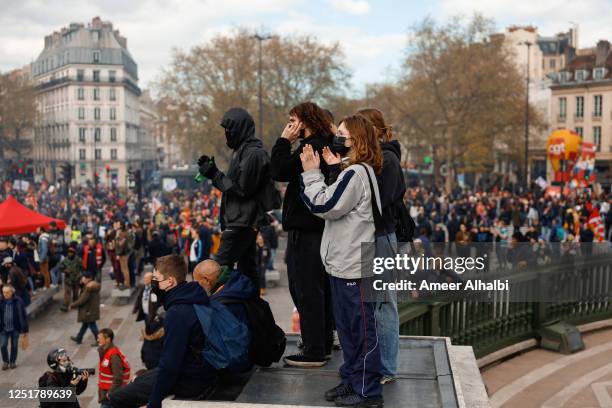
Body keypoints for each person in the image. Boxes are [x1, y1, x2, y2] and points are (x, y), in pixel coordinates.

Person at [300, 114, 384, 407]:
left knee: (360, 331)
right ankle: (351, 379)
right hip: (344, 263)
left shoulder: (357, 173)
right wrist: (336, 168)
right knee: (348, 330)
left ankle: (367, 390)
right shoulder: (356, 171)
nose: (336, 138)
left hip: (353, 265)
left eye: (342, 135)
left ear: (356, 141)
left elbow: (324, 205)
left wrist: (312, 174)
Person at [270, 101, 334, 367]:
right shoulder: (319, 144)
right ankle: (322, 341)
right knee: (317, 289)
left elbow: (279, 170)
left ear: (304, 121)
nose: (290, 125)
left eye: (293, 120)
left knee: (306, 289)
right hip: (315, 229)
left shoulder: (312, 146)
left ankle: (314, 348)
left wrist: (283, 140)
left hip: (306, 230)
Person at [109, 254, 217, 408]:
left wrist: (154, 401)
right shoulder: (194, 296)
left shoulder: (177, 313)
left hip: (191, 379)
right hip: (201, 370)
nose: (154, 284)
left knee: (116, 397)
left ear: (170, 281)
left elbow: (170, 363)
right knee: (140, 379)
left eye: (157, 279)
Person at [197, 107, 272, 288]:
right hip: (241, 220)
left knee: (215, 270)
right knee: (247, 270)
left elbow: (241, 189)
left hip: (242, 222)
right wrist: (213, 172)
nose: (226, 134)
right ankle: (252, 309)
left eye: (229, 130)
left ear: (240, 129)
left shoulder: (253, 153)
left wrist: (214, 174)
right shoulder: (242, 151)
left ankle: (208, 309)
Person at [357, 107, 405, 385]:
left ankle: (386, 367)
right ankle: (377, 362)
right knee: (373, 303)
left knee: (384, 305)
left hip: (381, 238)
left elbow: (379, 204)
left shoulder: (388, 160)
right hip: (373, 237)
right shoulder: (378, 158)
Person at [97, 328, 131, 408]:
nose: (97, 340)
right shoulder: (106, 351)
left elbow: (118, 378)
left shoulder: (114, 356)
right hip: (107, 393)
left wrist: (109, 393)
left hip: (110, 396)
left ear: (108, 339)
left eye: (99, 338)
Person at [1, 285, 28, 370]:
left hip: (15, 328)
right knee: (3, 345)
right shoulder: (0, 301)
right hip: (3, 328)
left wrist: (25, 329)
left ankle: (12, 361)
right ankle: (5, 361)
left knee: (14, 345)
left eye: (7, 292)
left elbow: (23, 315)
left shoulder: (18, 301)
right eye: (3, 292)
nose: (5, 294)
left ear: (12, 292)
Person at [69, 271, 101, 347]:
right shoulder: (91, 285)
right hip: (91, 309)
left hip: (88, 311)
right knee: (85, 325)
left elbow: (82, 300)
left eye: (83, 277)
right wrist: (80, 283)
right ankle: (79, 338)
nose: (81, 279)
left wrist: (72, 305)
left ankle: (99, 340)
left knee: (92, 326)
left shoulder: (88, 288)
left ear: (87, 279)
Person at [58, 246, 82, 312]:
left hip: (76, 279)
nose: (70, 254)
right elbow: (60, 267)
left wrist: (80, 275)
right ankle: (65, 306)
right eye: (69, 252)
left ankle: (75, 304)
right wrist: (65, 270)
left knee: (75, 293)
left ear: (74, 253)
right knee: (67, 293)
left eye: (71, 252)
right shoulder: (65, 260)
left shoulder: (78, 259)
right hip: (68, 279)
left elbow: (82, 268)